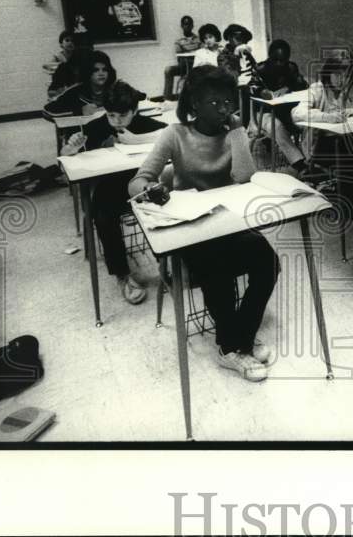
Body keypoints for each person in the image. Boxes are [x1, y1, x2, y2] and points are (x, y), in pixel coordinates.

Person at [128, 66, 280, 382]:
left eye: (229, 101)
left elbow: (244, 178)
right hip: (191, 229)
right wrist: (148, 190)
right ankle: (230, 348)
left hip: (228, 222)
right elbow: (139, 179)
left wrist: (238, 131)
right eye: (216, 103)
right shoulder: (176, 134)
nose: (225, 108)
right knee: (218, 269)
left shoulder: (233, 133)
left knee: (268, 261)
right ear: (195, 103)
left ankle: (240, 337)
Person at [60, 81, 166, 304]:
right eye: (111, 115)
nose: (116, 121)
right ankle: (122, 275)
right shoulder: (97, 126)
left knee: (165, 204)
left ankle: (166, 263)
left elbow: (172, 138)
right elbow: (65, 158)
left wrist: (142, 141)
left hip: (141, 184)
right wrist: (71, 148)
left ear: (135, 110)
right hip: (110, 187)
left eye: (122, 115)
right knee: (104, 216)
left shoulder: (147, 124)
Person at [251, 39, 309, 173]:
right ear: (269, 57)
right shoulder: (260, 68)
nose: (279, 64)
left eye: (283, 60)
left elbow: (303, 85)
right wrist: (262, 92)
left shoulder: (291, 67)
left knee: (307, 122)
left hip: (286, 110)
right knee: (276, 126)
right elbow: (252, 88)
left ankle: (310, 159)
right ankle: (299, 162)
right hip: (264, 112)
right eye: (275, 60)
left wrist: (288, 88)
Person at [43, 50, 118, 117]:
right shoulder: (76, 91)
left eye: (105, 70)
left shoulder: (118, 89)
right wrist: (79, 111)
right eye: (95, 70)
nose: (101, 74)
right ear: (88, 72)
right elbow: (47, 111)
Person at [161, 15, 201, 100]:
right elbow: (179, 56)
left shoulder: (198, 39)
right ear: (182, 26)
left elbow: (202, 52)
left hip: (197, 65)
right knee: (168, 70)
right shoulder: (178, 41)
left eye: (189, 24)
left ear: (192, 26)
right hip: (184, 65)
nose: (187, 26)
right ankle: (167, 99)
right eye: (185, 24)